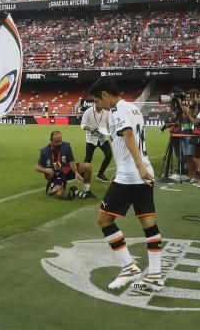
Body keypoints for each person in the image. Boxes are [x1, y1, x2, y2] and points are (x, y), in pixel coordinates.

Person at [89, 78, 164, 293]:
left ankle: (128, 267)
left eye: (97, 100)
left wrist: (137, 167)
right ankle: (155, 276)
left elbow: (129, 135)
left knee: (104, 219)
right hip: (140, 173)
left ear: (105, 94)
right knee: (149, 223)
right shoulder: (133, 108)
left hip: (132, 174)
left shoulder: (116, 110)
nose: (98, 105)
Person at [34, 130, 95, 199]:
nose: (59, 143)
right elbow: (37, 167)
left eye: (60, 141)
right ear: (51, 141)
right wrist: (46, 170)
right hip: (56, 175)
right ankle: (73, 191)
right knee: (58, 194)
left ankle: (87, 191)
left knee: (87, 166)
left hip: (68, 171)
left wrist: (76, 172)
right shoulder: (45, 151)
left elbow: (71, 161)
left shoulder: (66, 146)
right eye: (56, 142)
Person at [80, 101, 113, 182]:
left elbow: (108, 123)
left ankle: (100, 174)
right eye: (100, 104)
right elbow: (82, 125)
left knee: (109, 155)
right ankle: (82, 174)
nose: (102, 106)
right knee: (88, 159)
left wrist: (108, 129)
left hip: (102, 138)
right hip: (91, 139)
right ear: (96, 102)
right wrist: (89, 128)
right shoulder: (88, 112)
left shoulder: (106, 112)